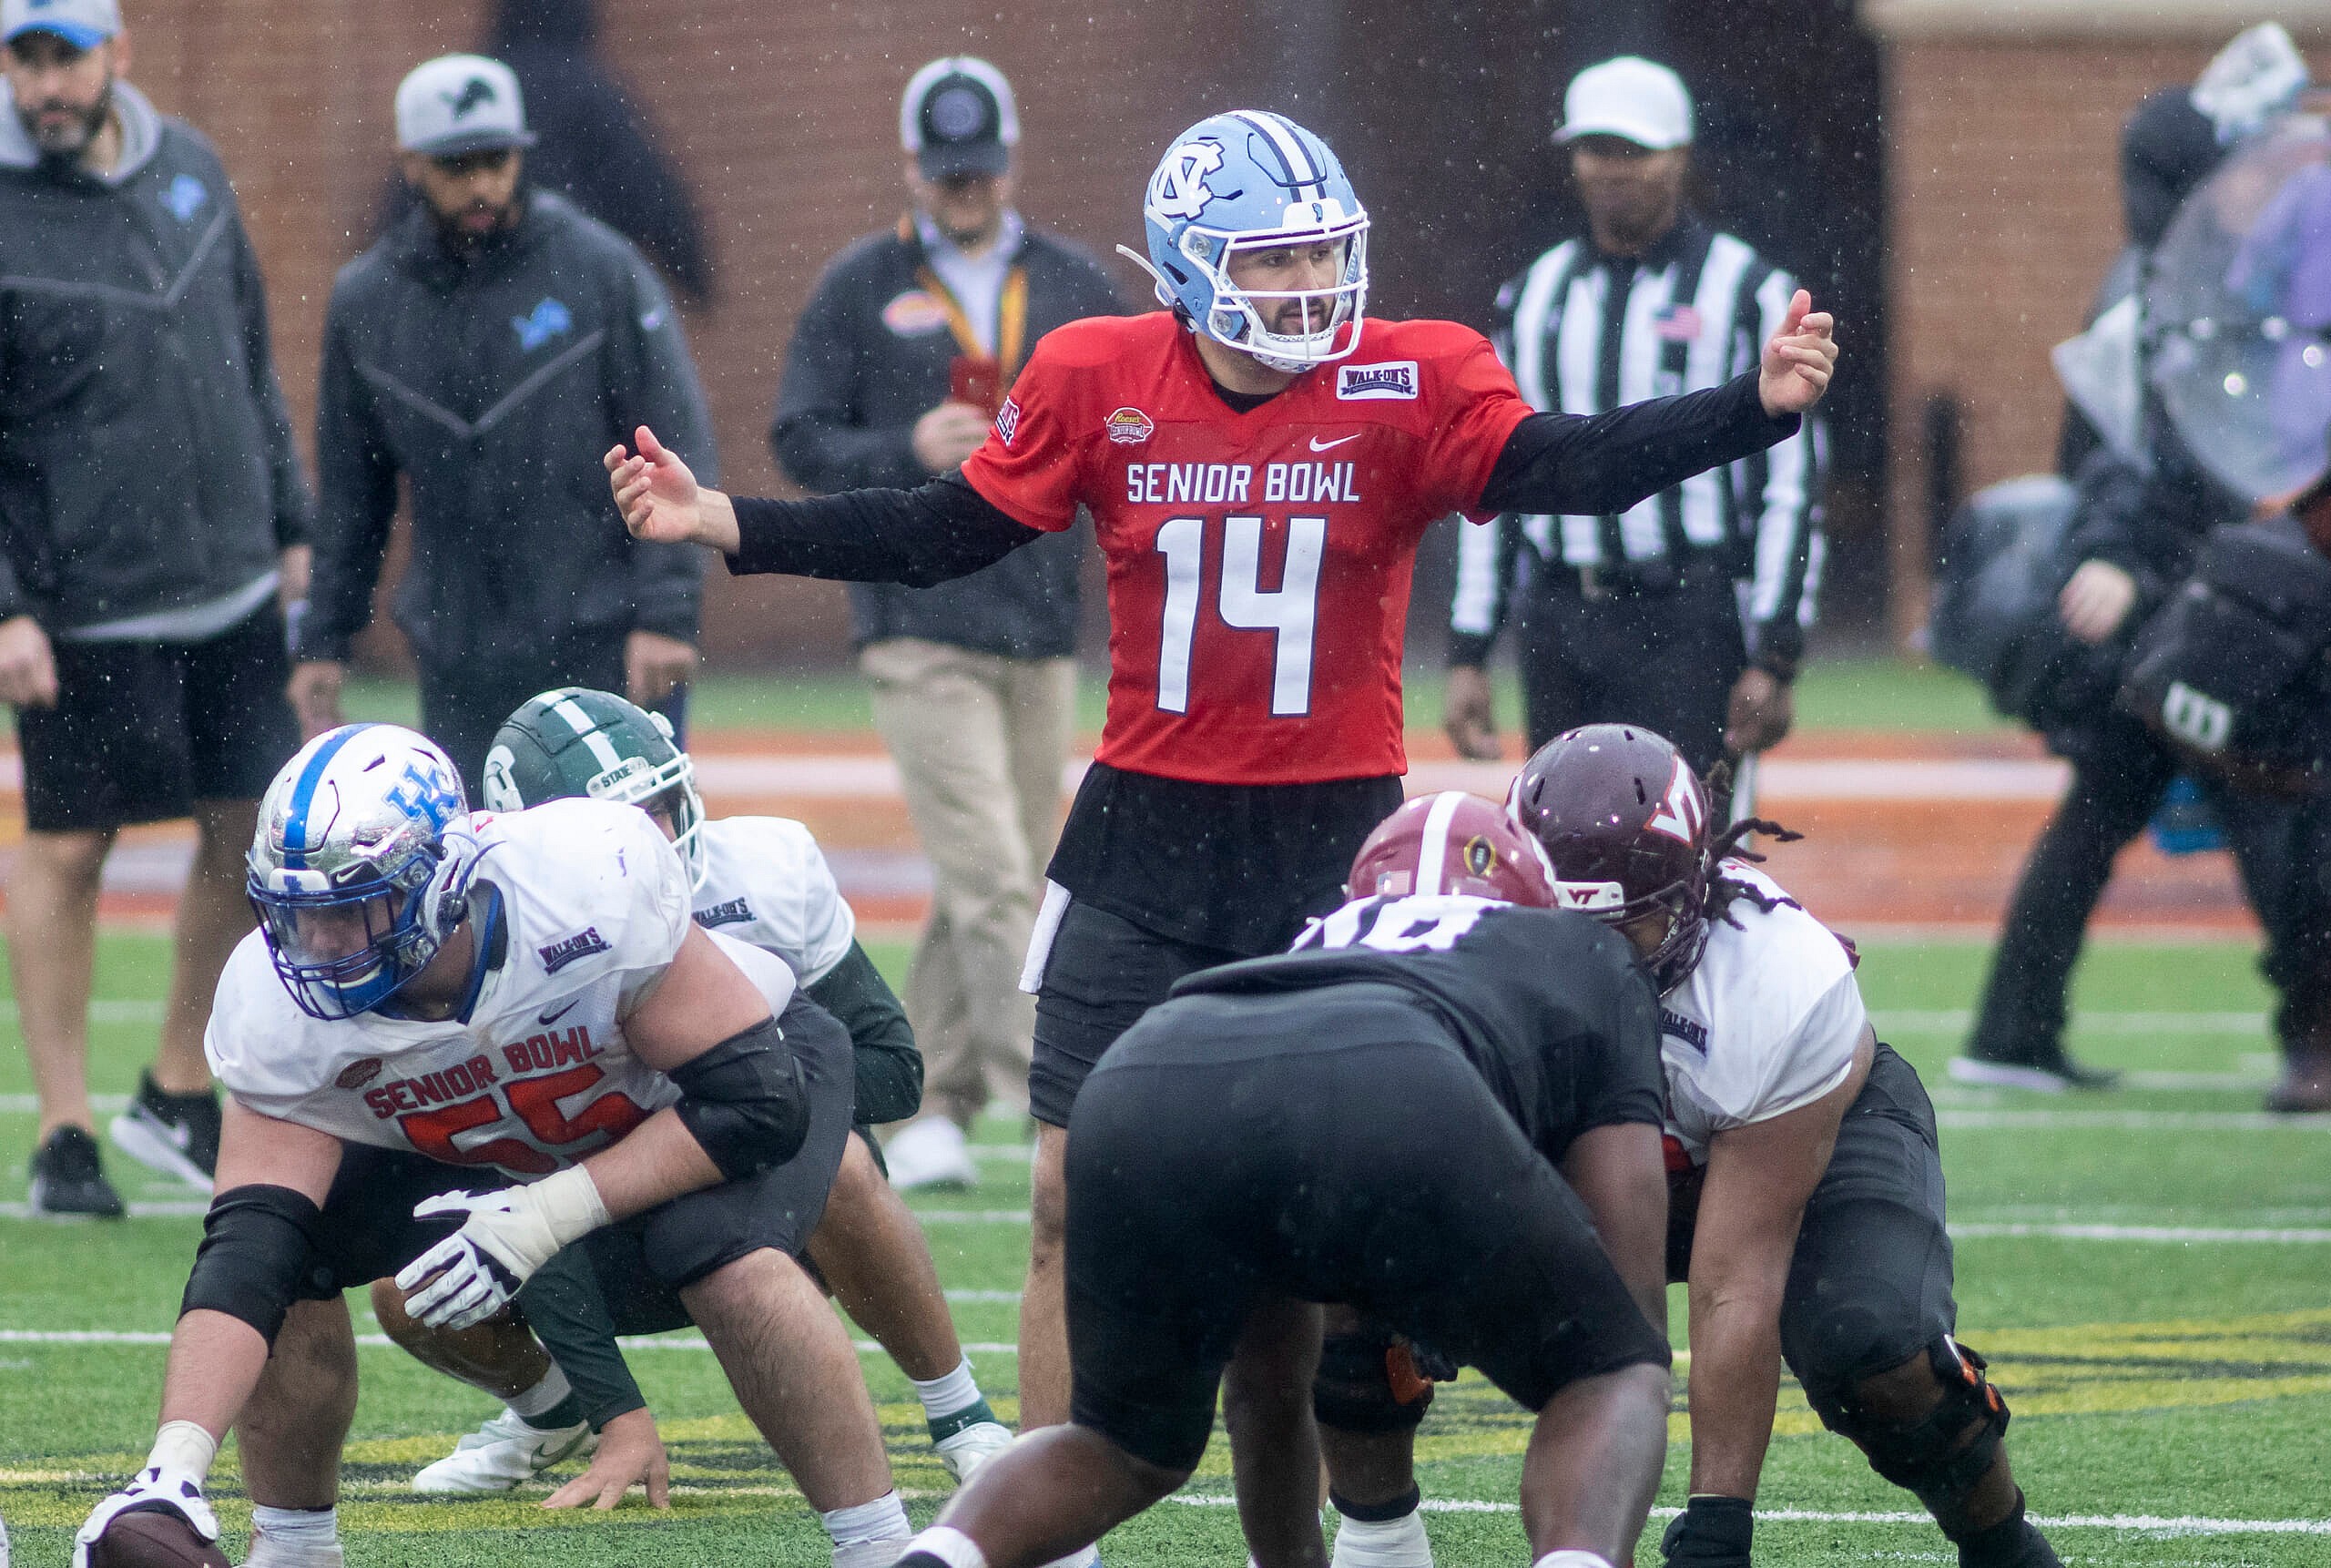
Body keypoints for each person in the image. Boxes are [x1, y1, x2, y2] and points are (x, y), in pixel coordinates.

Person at [606, 109, 1836, 1561]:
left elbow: (1565, 464)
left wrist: (1744, 409)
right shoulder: (1095, 372)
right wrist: (732, 522)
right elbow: (948, 529)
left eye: (1327, 251)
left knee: (1334, 1238)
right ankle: (1061, 1539)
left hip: (1337, 858)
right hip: (1143, 837)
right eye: (1277, 256)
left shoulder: (1412, 373)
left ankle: (1368, 1523)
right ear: (1187, 270)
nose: (1314, 283)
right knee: (1071, 1190)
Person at [72, 724, 918, 1568]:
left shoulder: (583, 886)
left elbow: (753, 1104)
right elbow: (250, 1241)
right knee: (287, 1259)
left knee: (717, 1252)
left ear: (442, 881)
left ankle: (876, 1546)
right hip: (504, 1127)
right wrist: (173, 1467)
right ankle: (292, 1552)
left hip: (698, 1090)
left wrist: (540, 1219)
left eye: (349, 908)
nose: (318, 946)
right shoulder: (272, 1002)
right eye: (295, 915)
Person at [1317, 724, 2061, 1568]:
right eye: (1570, 928)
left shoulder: (1775, 980)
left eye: (1622, 930)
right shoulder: (1474, 942)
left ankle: (2005, 1545)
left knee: (1873, 1348)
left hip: (1794, 1148)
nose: (1598, 960)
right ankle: (1379, 1542)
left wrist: (1717, 1522)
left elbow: (1735, 1282)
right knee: (1355, 1266)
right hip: (1590, 1161)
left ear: (1691, 894)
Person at [886, 792, 1674, 1568]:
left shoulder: (1317, 941)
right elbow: (1623, 1250)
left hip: (1151, 1074)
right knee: (1612, 1368)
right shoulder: (1581, 951)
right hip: (1392, 1080)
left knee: (1118, 1446)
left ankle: (943, 1555)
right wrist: (1601, 1345)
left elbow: (1267, 1389)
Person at [359, 686, 1008, 1502]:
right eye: (621, 822)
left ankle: (963, 1415)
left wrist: (728, 1093)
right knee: (409, 1280)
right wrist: (618, 1409)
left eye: (660, 805)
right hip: (592, 1210)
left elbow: (890, 1068)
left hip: (758, 1185)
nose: (654, 838)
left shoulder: (768, 869)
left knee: (838, 1158)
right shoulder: (504, 939)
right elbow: (514, 1181)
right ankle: (550, 1411)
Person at [771, 56, 1125, 1191]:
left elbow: (1131, 428)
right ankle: (1056, 1090)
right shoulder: (858, 282)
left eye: (978, 172)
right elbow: (800, 437)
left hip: (1033, 613)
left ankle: (927, 1098)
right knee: (993, 874)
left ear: (1010, 162)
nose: (964, 191)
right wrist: (902, 452)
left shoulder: (1071, 283)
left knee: (1003, 868)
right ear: (912, 168)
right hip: (915, 616)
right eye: (945, 173)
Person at [0, 0, 311, 1216]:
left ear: (115, 55)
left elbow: (247, 347)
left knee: (252, 831)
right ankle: (64, 1129)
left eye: (64, 58)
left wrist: (288, 518)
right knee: (72, 846)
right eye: (23, 61)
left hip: (230, 580)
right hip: (83, 602)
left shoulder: (190, 163)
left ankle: (178, 1086)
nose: (44, 86)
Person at [1954, 69, 2300, 1095]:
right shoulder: (2174, 293)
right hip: (2189, 601)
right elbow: (2133, 459)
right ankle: (2312, 1036)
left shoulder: (2151, 278)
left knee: (2105, 809)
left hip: (2176, 590)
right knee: (2268, 805)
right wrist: (2126, 558)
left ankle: (2012, 1033)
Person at [292, 53, 713, 798]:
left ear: (522, 156)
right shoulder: (366, 301)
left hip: (604, 635)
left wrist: (669, 613)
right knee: (484, 878)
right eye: (457, 166)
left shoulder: (599, 268)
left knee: (634, 870)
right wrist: (325, 638)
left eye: (497, 160)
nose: (482, 184)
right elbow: (354, 493)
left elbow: (672, 442)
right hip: (459, 654)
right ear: (411, 164)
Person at [1444, 56, 1823, 780]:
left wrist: (1777, 651)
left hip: (1686, 612)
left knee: (1687, 855)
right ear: (1573, 160)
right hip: (1558, 613)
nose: (1613, 169)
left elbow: (1791, 484)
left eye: (1635, 151)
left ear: (1679, 156)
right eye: (1596, 150)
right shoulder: (1531, 295)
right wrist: (1468, 647)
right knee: (1560, 847)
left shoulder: (1747, 289)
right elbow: (1492, 473)